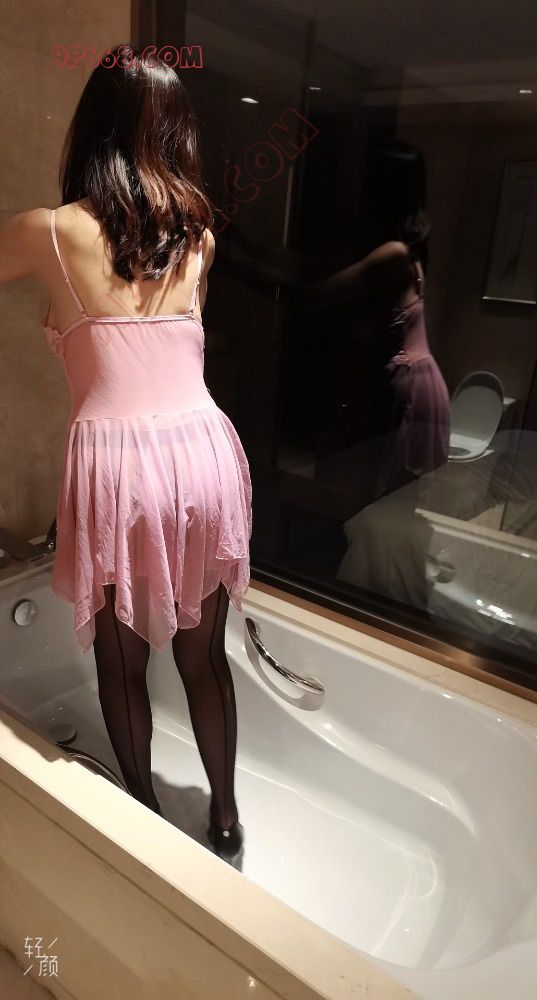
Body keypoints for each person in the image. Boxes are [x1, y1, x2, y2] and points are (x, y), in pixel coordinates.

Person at [0, 44, 252, 865]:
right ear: (174, 133)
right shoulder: (198, 239)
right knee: (204, 658)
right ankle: (225, 821)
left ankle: (141, 815)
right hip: (206, 456)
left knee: (122, 662)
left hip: (120, 469)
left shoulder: (49, 231)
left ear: (94, 126)